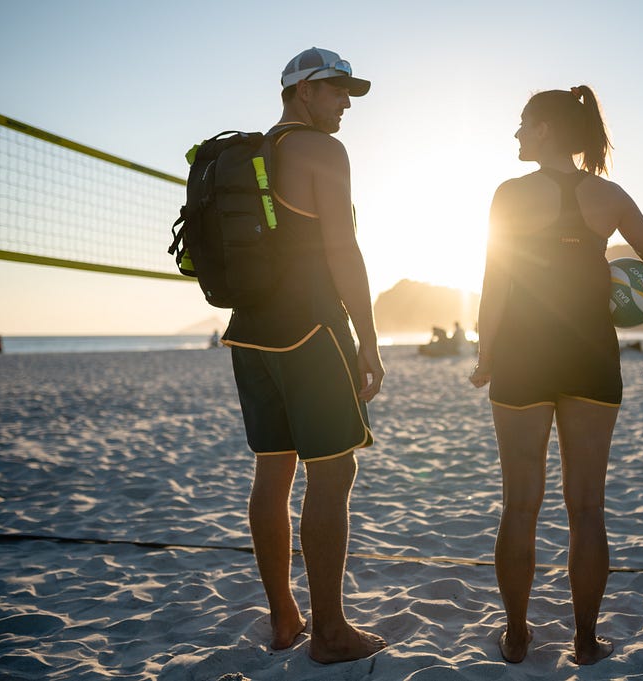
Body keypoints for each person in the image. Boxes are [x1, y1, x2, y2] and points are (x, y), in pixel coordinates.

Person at [469, 85, 643, 665]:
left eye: (522, 125)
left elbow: (497, 282)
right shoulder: (608, 196)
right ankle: (586, 643)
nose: (515, 134)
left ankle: (516, 636)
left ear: (545, 131)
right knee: (587, 508)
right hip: (590, 357)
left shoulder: (510, 195)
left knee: (519, 506)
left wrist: (487, 355)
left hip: (521, 357)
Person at [220, 47, 386, 664]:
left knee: (272, 473)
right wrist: (368, 337)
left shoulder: (254, 153)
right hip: (311, 331)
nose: (345, 103)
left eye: (349, 92)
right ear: (300, 91)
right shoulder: (322, 150)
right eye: (335, 90)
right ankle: (332, 632)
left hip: (250, 332)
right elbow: (343, 250)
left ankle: (285, 616)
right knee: (334, 472)